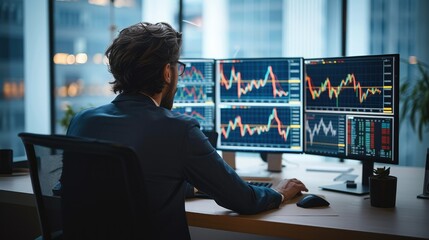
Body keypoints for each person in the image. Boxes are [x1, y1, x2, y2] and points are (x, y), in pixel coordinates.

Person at [67, 22, 308, 240]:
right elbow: (243, 200)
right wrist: (279, 193)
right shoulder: (179, 129)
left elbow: (97, 185)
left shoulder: (83, 121)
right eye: (178, 68)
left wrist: (191, 186)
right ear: (167, 72)